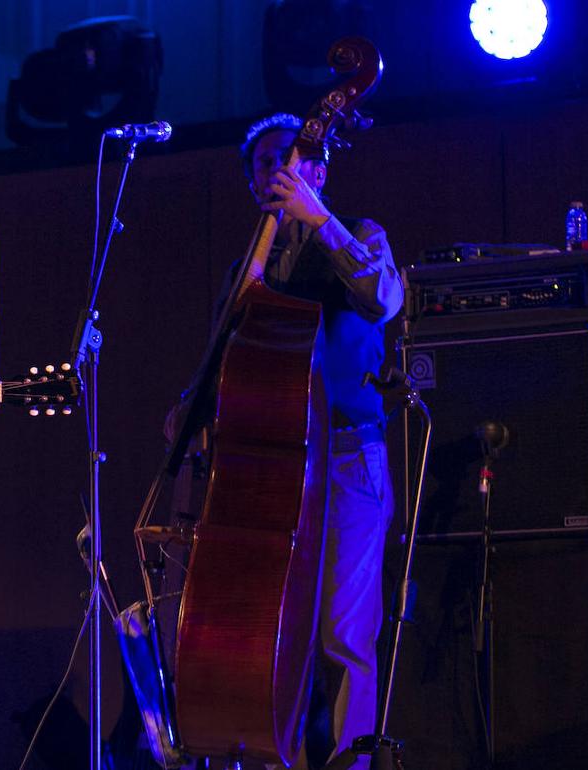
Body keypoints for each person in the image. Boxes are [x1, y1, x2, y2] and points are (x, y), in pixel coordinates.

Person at [169, 113, 401, 769]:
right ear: (252, 182)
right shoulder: (251, 265)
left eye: (294, 160)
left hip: (349, 458)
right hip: (272, 474)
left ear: (320, 171)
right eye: (269, 163)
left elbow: (382, 300)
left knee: (342, 635)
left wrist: (317, 218)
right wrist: (192, 405)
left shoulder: (358, 233)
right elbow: (227, 361)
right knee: (275, 631)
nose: (283, 171)